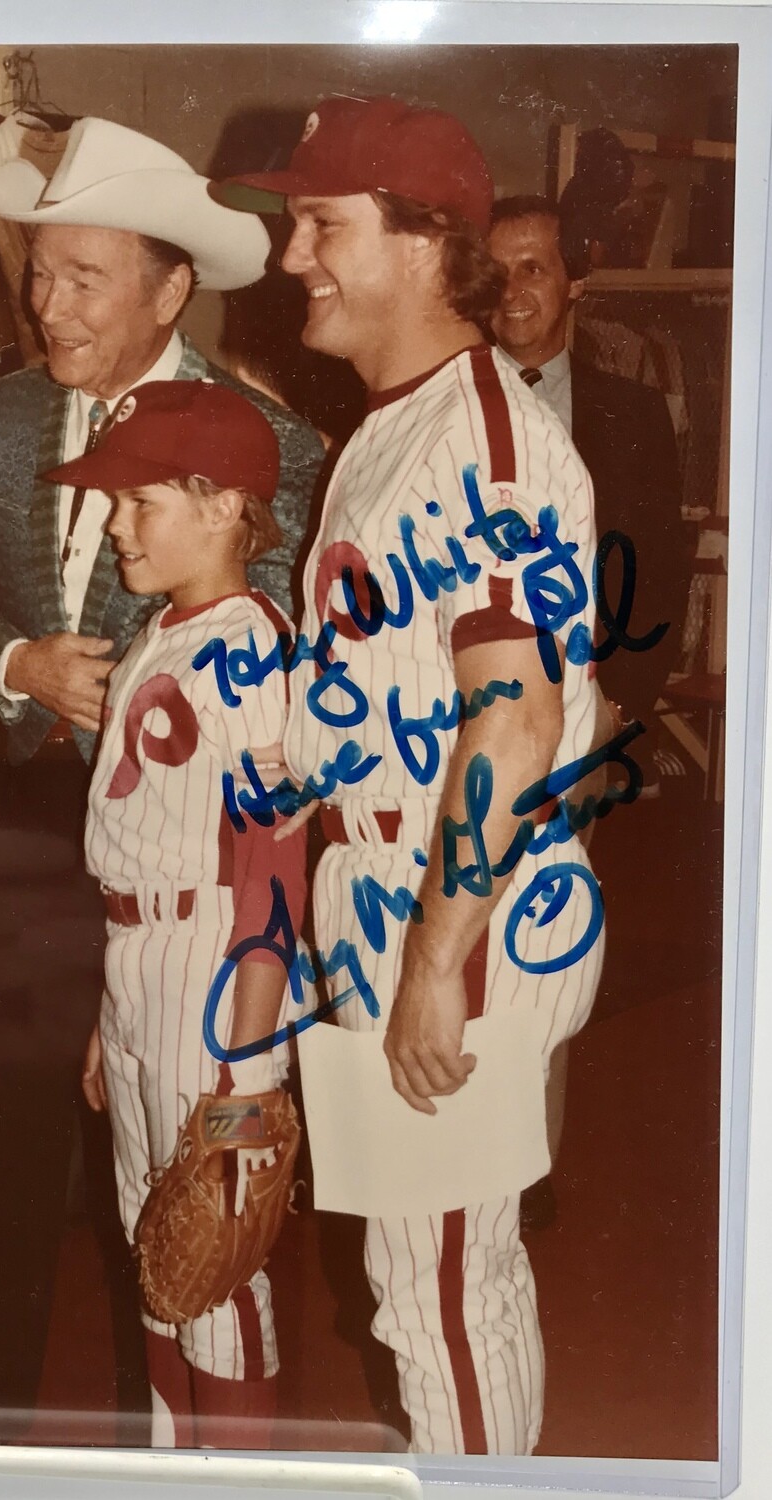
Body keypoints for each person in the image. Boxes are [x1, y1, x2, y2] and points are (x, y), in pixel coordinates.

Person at [0, 118, 325, 1439]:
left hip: (198, 861)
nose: (48, 305)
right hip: (46, 823)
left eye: (85, 279)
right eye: (39, 274)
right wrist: (19, 667)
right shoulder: (2, 411)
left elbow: (273, 662)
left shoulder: (271, 442)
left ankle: (177, 1441)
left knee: (183, 1182)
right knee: (4, 1146)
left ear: (169, 289)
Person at [216, 96, 607, 1454]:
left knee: (445, 1292)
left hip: (457, 902)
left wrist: (438, 957)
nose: (291, 257)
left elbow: (515, 720)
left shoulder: (485, 447)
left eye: (322, 225)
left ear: (428, 243)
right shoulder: (393, 426)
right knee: (417, 1285)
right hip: (388, 879)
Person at [44, 379, 303, 1449]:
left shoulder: (254, 647)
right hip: (138, 962)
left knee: (218, 1255)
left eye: (140, 502)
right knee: (156, 1246)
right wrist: (107, 1017)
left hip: (218, 980)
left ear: (225, 506)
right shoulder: (158, 633)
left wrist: (245, 1070)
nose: (115, 524)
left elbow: (273, 871)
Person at [488, 196, 693, 783]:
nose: (510, 291)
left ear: (576, 281)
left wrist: (618, 710)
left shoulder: (636, 415)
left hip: (587, 720)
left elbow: (658, 576)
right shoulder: (444, 411)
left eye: (532, 268)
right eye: (495, 272)